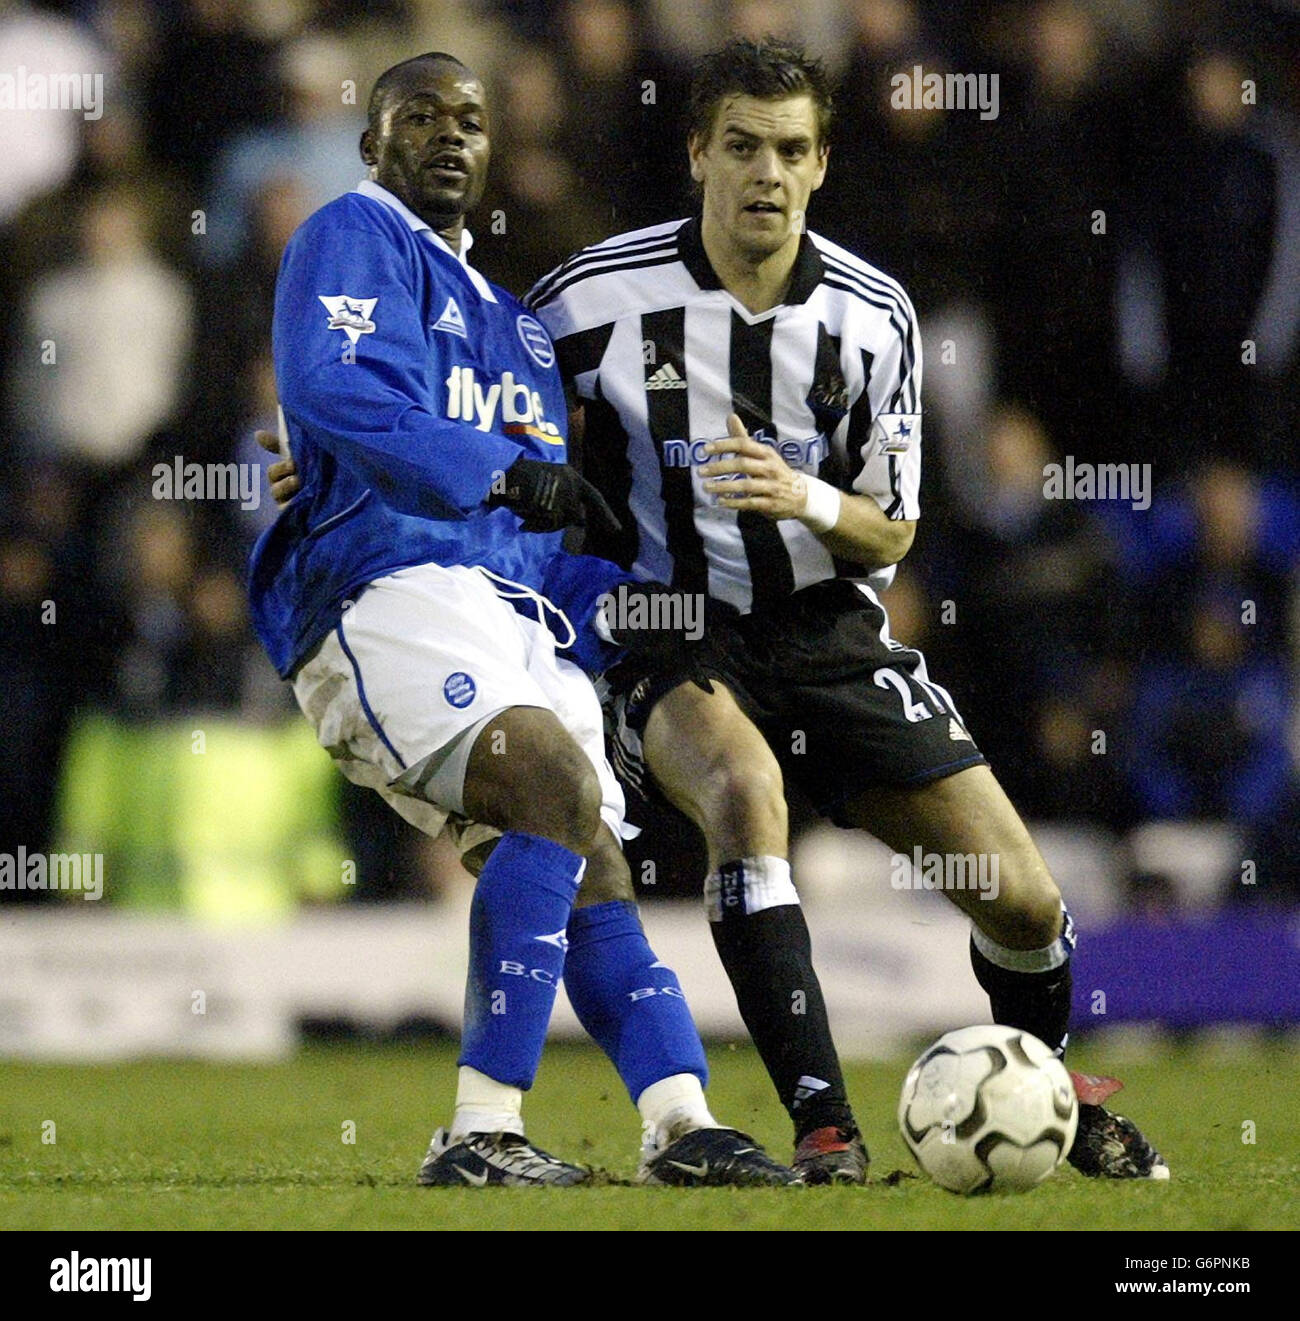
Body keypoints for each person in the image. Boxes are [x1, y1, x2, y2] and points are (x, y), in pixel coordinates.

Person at [524, 37, 1168, 1183]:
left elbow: (893, 528)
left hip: (823, 628)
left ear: (820, 165)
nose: (763, 173)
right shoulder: (585, 301)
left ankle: (1046, 1089)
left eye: (788, 150)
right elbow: (485, 417)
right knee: (742, 790)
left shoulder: (875, 317)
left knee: (1019, 901)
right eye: (739, 147)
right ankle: (825, 1128)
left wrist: (803, 494)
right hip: (663, 619)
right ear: (697, 155)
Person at [248, 50, 794, 1188]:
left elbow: (539, 543)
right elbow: (334, 391)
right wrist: (494, 470)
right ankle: (478, 1128)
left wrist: (646, 607)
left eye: (472, 118)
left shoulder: (523, 335)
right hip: (381, 592)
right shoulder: (352, 234)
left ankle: (682, 1124)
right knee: (549, 781)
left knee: (591, 849)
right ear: (373, 142)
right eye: (420, 115)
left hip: (508, 619)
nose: (451, 133)